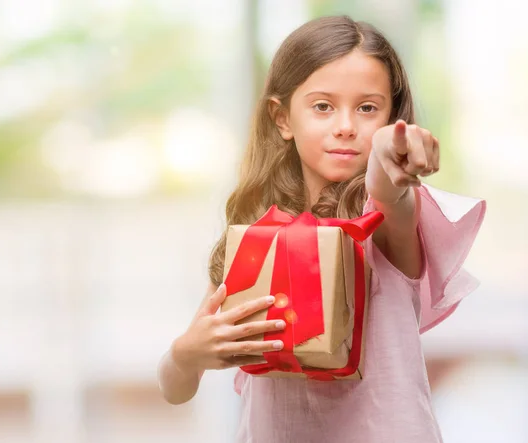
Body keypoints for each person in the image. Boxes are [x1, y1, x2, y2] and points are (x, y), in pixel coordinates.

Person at [157, 15, 486, 443]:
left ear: (391, 115)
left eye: (368, 108)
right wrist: (186, 355)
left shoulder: (386, 220)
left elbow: (386, 189)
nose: (347, 125)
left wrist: (391, 150)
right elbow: (174, 389)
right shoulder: (256, 237)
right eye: (323, 106)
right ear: (283, 119)